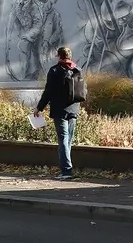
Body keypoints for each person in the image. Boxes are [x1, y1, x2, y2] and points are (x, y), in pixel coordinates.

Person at [33, 46, 83, 180]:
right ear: (70, 56)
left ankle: (66, 172)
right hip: (73, 110)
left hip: (60, 111)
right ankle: (67, 169)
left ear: (59, 56)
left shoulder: (54, 70)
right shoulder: (77, 69)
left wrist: (39, 108)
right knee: (68, 140)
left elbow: (48, 92)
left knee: (63, 140)